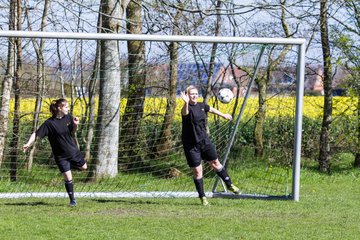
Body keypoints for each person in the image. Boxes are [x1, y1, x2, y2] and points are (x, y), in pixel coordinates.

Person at [181, 85, 240, 206]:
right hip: (191, 145)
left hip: (204, 141)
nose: (194, 95)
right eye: (192, 94)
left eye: (196, 93)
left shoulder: (201, 105)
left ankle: (230, 185)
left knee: (216, 163)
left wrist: (223, 114)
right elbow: (185, 113)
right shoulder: (186, 108)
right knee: (198, 171)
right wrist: (186, 103)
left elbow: (211, 109)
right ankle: (202, 197)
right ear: (187, 95)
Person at [22, 98, 87, 207]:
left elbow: (72, 132)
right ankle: (72, 200)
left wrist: (75, 125)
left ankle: (69, 166)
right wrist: (28, 144)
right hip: (60, 156)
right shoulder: (49, 123)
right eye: (66, 107)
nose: (68, 109)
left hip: (72, 151)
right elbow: (36, 134)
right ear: (59, 108)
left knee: (84, 167)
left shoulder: (69, 118)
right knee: (67, 177)